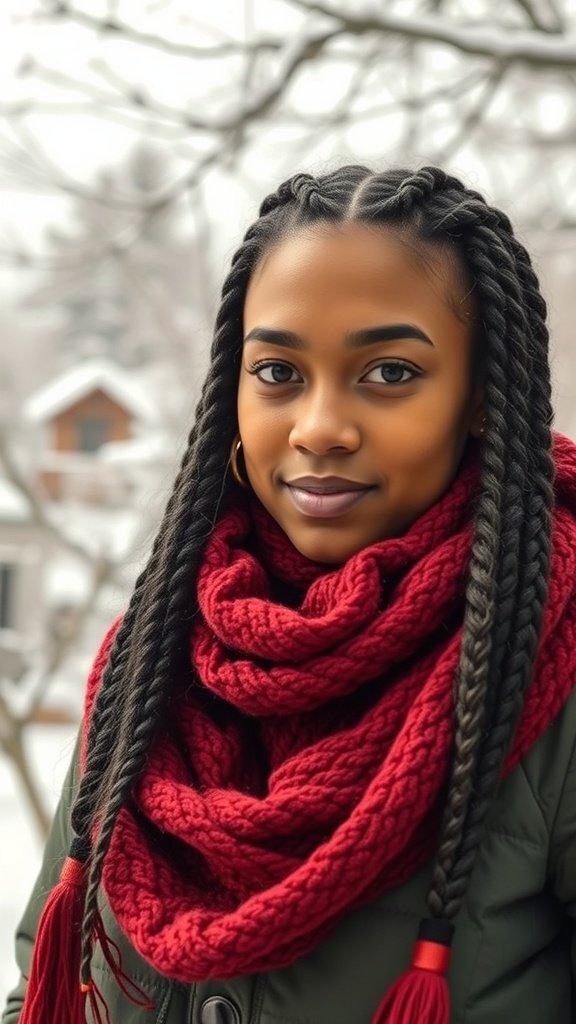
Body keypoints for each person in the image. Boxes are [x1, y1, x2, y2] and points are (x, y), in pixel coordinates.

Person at [3, 164, 576, 1024]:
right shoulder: (150, 654)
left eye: (390, 373)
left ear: (483, 397)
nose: (319, 429)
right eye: (277, 372)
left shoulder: (553, 659)